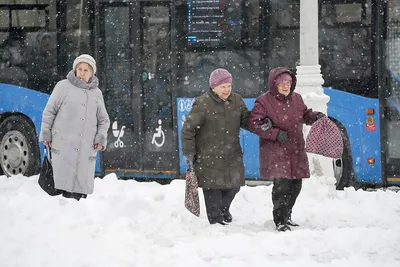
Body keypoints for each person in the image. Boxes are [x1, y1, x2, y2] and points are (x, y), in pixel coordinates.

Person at [248, 67, 326, 232]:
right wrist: (275, 133)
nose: (285, 86)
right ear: (274, 84)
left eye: (288, 82)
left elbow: (305, 115)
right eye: (282, 83)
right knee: (282, 186)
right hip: (276, 150)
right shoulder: (263, 101)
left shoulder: (297, 99)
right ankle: (280, 220)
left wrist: (315, 116)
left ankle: (287, 215)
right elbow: (254, 123)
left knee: (295, 185)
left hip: (296, 148)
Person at [181, 68, 252, 225]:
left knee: (234, 186)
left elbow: (246, 121)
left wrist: (258, 122)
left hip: (232, 153)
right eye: (223, 86)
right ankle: (216, 221)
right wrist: (189, 152)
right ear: (213, 87)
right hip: (208, 156)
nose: (227, 90)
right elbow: (188, 129)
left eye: (229, 86)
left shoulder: (237, 100)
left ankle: (223, 209)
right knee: (212, 189)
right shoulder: (202, 103)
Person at [39, 54, 110, 201]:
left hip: (85, 150)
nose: (82, 73)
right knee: (60, 193)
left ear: (92, 73)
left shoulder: (96, 94)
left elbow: (104, 120)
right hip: (63, 146)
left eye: (86, 70)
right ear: (75, 70)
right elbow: (49, 111)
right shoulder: (63, 87)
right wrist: (46, 134)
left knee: (79, 195)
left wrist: (100, 138)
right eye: (80, 69)